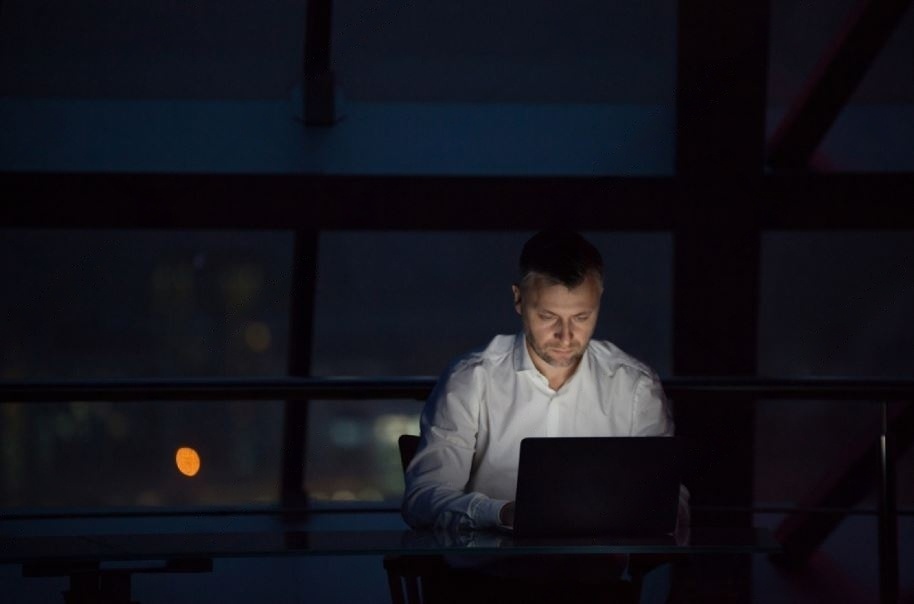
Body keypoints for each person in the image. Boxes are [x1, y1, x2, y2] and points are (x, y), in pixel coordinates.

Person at [402, 229, 688, 533]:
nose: (566, 336)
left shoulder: (635, 386)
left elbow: (672, 502)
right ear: (518, 300)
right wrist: (502, 513)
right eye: (548, 316)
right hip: (489, 573)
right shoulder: (471, 379)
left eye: (581, 317)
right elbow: (422, 498)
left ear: (599, 301)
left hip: (597, 576)